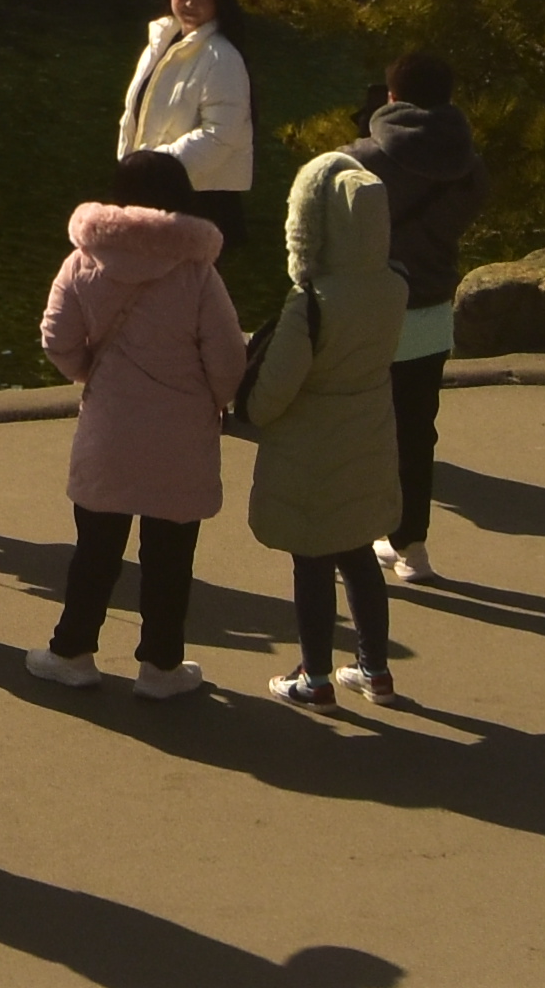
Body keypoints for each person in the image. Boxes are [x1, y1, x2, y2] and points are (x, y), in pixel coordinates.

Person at [32, 148, 247, 700]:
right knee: (171, 557)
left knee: (96, 549)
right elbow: (226, 355)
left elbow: (55, 338)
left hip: (109, 423)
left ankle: (73, 651)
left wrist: (89, 376)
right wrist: (217, 400)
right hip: (181, 431)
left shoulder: (83, 259)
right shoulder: (198, 271)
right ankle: (160, 666)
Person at [244, 142, 410, 709]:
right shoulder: (393, 286)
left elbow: (271, 394)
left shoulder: (312, 301)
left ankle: (313, 678)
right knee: (359, 553)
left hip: (310, 444)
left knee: (310, 557)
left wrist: (247, 412)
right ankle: (375, 670)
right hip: (368, 431)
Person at [354, 49, 488, 586]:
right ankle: (413, 546)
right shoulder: (469, 165)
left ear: (391, 97)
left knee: (363, 426)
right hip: (432, 307)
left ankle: (359, 536)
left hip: (372, 310)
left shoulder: (360, 160)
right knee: (417, 429)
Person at [114, 0, 257, 248]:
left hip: (200, 200)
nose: (191, 3)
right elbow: (134, 114)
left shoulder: (222, 56)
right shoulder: (162, 42)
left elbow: (219, 135)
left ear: (221, 1)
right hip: (154, 194)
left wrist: (155, 171)